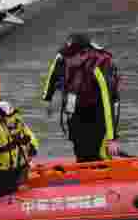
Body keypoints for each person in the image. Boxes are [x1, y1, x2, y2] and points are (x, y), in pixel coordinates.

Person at [41, 33, 122, 163]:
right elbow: (53, 73)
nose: (67, 59)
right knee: (79, 148)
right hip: (77, 106)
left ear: (83, 54)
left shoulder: (99, 67)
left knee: (96, 152)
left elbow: (108, 102)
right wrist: (47, 99)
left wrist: (112, 138)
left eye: (71, 56)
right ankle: (83, 164)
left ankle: (103, 167)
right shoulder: (63, 58)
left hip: (100, 110)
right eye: (66, 55)